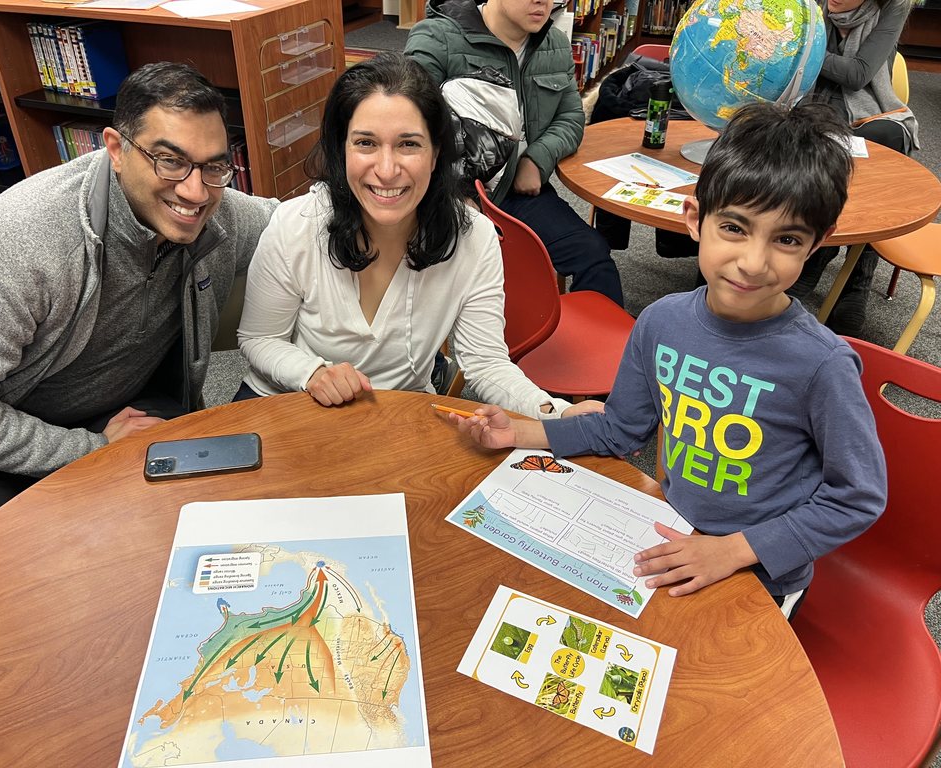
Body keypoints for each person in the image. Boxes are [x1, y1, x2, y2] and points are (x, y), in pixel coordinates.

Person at [449, 102, 887, 619]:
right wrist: (523, 432)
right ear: (695, 219)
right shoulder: (661, 322)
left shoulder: (822, 364)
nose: (753, 262)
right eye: (735, 228)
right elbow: (620, 428)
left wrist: (733, 550)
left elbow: (857, 496)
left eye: (786, 239)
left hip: (762, 577)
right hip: (673, 539)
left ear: (817, 245)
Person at [0, 62, 278, 570]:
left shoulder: (217, 213)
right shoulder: (23, 241)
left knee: (211, 546)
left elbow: (297, 225)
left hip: (129, 413)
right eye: (170, 161)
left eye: (214, 167)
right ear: (116, 149)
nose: (195, 192)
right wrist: (85, 449)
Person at [235, 52, 590, 421]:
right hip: (287, 401)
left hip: (397, 414)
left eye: (409, 144)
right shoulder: (297, 223)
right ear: (342, 150)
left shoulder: (474, 238)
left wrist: (558, 414)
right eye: (366, 143)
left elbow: (486, 363)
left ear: (436, 154)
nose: (387, 170)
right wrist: (311, 373)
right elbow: (260, 339)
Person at [404, 0, 624, 305]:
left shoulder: (554, 43)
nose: (542, 2)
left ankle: (601, 338)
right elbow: (409, 130)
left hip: (516, 193)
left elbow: (570, 116)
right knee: (450, 281)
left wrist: (537, 159)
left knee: (594, 256)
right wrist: (456, 192)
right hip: (445, 195)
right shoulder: (437, 38)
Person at [790, 0, 919, 336]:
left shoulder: (894, 8)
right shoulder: (811, 4)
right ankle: (819, 255)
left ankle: (855, 280)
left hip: (868, 112)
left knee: (887, 140)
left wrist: (803, 51)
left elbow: (858, 75)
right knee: (805, 136)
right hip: (812, 104)